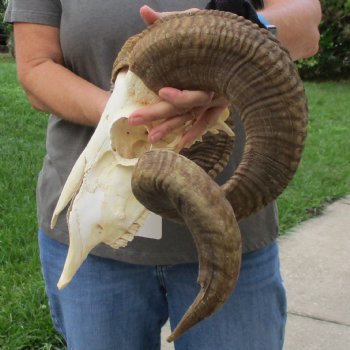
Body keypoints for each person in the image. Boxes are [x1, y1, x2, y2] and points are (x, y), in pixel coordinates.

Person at [5, 1, 321, 349]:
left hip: (228, 235)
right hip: (95, 232)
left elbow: (305, 25)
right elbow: (35, 67)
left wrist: (227, 35)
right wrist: (130, 116)